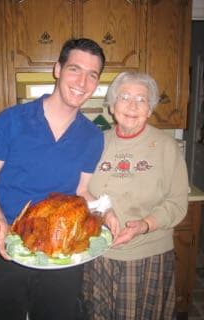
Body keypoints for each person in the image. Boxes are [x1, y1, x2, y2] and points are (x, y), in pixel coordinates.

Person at [0, 38, 105, 320]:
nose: (82, 81)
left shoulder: (92, 136)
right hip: (8, 246)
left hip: (61, 254)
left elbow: (82, 191)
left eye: (92, 75)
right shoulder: (10, 121)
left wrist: (106, 210)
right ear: (57, 69)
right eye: (75, 69)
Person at [82, 71, 189, 320]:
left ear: (150, 109)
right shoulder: (95, 142)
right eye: (124, 97)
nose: (132, 105)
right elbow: (82, 191)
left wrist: (144, 225)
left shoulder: (166, 147)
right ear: (111, 105)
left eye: (141, 99)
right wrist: (102, 211)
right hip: (100, 253)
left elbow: (177, 202)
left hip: (147, 254)